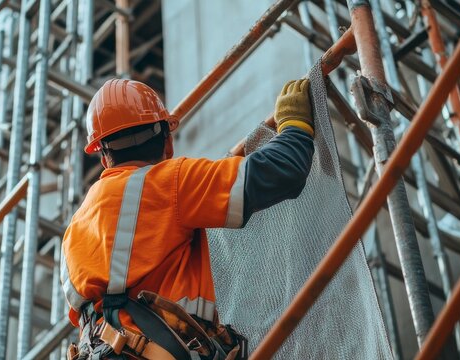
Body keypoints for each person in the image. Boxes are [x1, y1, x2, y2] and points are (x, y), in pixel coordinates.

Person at [62, 78, 315, 360]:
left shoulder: (75, 229)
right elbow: (284, 170)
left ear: (103, 158)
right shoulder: (171, 183)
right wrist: (295, 124)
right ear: (167, 142)